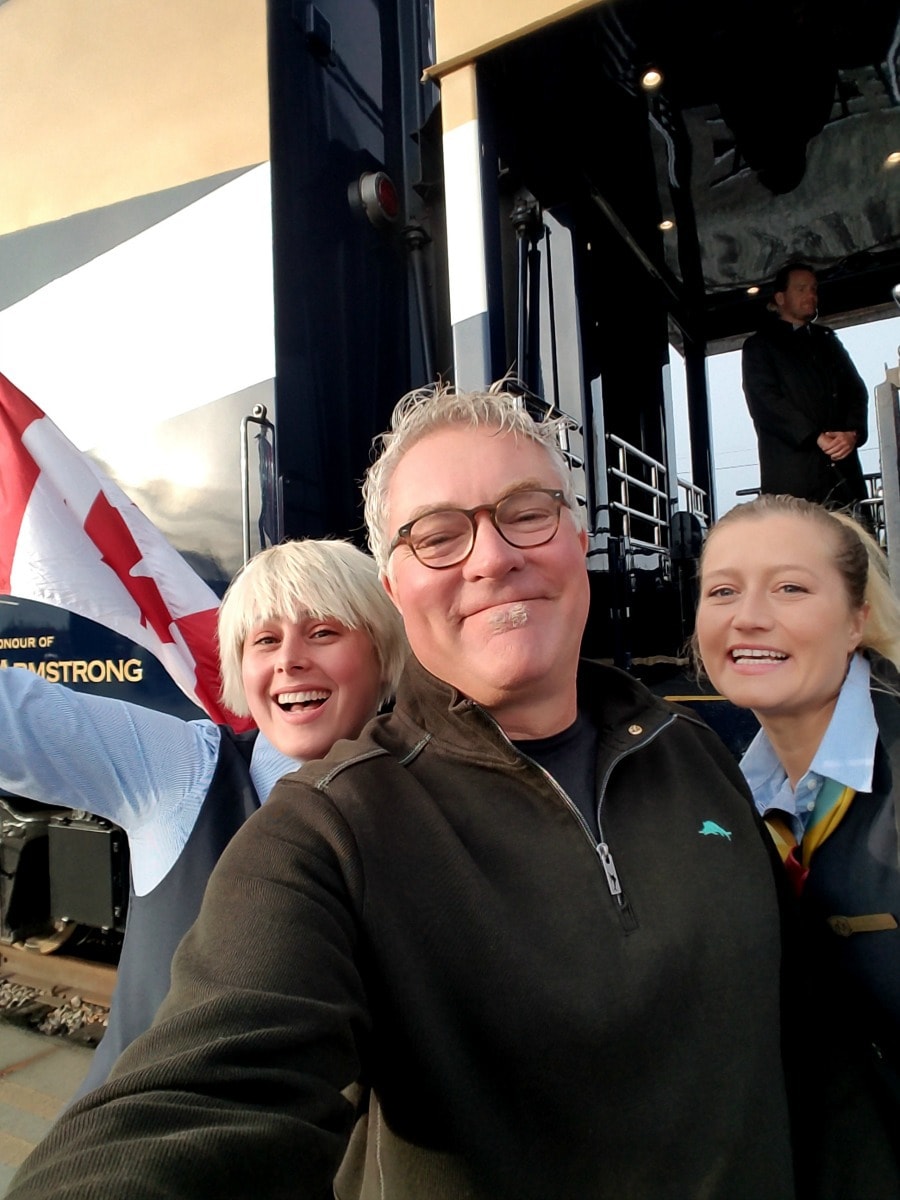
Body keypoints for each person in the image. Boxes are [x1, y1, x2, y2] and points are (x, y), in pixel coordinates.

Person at [8, 387, 798, 1200]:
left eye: (526, 511)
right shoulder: (321, 828)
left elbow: (808, 1046)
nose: (492, 558)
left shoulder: (693, 753)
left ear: (577, 533)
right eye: (439, 536)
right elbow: (205, 1094)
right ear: (397, 585)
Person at [0, 538, 407, 1097]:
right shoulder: (182, 771)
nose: (289, 659)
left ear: (383, 653)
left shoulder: (426, 803)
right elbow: (18, 717)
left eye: (323, 632)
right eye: (265, 641)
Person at [695, 494, 900, 1196]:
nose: (748, 616)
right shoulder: (712, 795)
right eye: (723, 590)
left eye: (790, 587)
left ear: (856, 621)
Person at [742, 261, 869, 509]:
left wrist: (852, 433)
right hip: (793, 478)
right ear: (780, 298)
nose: (810, 295)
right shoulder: (760, 346)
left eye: (813, 289)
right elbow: (765, 402)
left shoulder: (828, 340)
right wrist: (815, 437)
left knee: (854, 543)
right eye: (801, 289)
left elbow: (856, 391)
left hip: (843, 475)